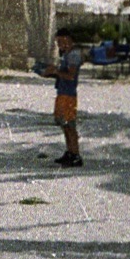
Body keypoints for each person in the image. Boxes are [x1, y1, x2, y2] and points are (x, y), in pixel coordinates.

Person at [42, 30, 84, 167]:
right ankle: (70, 152)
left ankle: (75, 154)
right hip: (63, 93)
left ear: (68, 39)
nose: (59, 45)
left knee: (70, 126)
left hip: (68, 95)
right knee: (65, 125)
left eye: (61, 42)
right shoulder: (67, 55)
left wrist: (56, 71)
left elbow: (71, 75)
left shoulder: (74, 55)